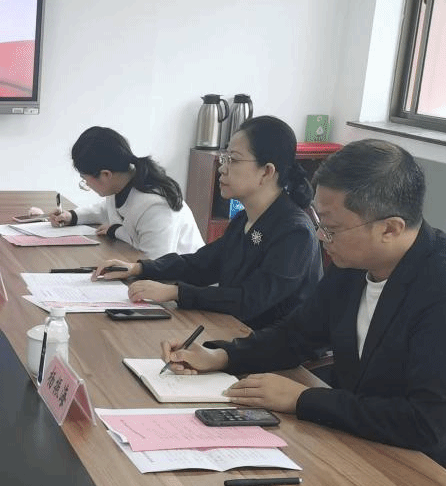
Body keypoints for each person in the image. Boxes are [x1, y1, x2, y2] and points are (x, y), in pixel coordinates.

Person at [163, 139, 446, 486]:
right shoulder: (353, 263)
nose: (321, 237)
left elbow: (428, 424)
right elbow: (297, 334)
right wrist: (222, 356)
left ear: (390, 228)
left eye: (332, 228)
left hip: (434, 483)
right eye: (320, 223)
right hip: (359, 449)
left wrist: (303, 399)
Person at [94, 116, 322, 331]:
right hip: (234, 332)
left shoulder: (295, 232)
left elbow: (250, 300)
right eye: (225, 158)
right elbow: (201, 264)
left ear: (267, 171)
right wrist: (140, 268)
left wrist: (176, 292)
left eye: (233, 160)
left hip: (271, 349)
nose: (222, 168)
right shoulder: (245, 219)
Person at [49, 126, 203, 258]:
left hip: (182, 280)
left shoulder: (155, 206)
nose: (86, 184)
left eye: (85, 179)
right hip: (145, 269)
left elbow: (156, 264)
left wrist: (116, 231)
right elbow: (106, 210)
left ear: (106, 174)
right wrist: (72, 216)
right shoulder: (123, 183)